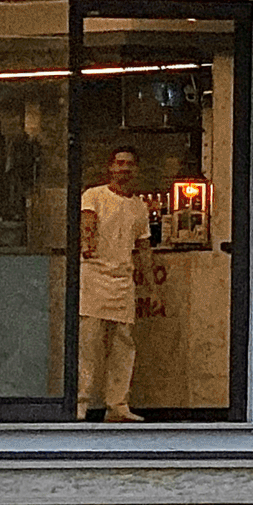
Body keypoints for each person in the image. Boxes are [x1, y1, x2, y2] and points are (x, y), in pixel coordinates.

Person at [77, 146, 157, 422]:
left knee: (123, 346)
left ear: (136, 170)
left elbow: (143, 247)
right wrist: (87, 242)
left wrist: (151, 286)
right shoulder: (93, 195)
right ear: (110, 167)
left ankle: (117, 405)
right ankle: (79, 403)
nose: (124, 168)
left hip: (123, 279)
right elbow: (87, 222)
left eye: (129, 164)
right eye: (119, 163)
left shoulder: (139, 206)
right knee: (88, 344)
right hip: (93, 274)